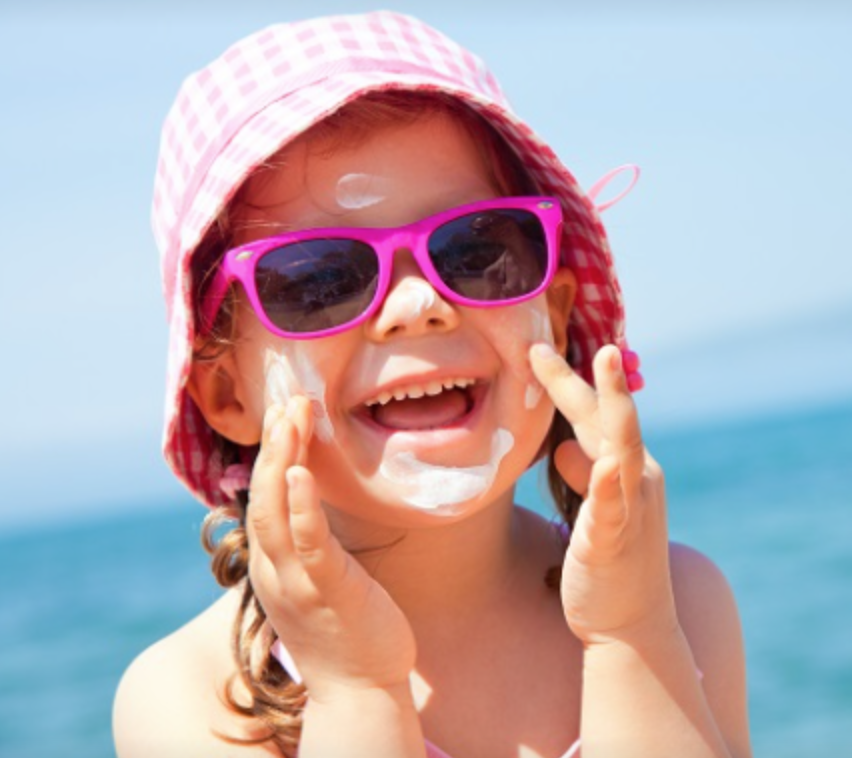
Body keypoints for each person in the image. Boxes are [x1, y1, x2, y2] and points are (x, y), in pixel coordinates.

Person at [113, 11, 751, 758]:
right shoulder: (193, 698)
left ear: (554, 313)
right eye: (319, 279)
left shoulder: (678, 602)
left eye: (477, 249)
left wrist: (631, 637)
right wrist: (355, 692)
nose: (418, 305)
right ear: (227, 395)